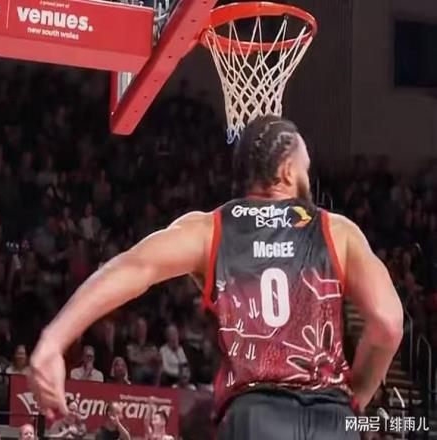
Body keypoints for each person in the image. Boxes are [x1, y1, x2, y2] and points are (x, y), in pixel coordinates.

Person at [30, 115, 403, 439]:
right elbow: (388, 324)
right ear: (288, 172)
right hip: (332, 417)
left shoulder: (211, 230)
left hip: (255, 414)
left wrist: (54, 339)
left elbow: (132, 268)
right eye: (305, 169)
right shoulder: (337, 231)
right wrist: (355, 396)